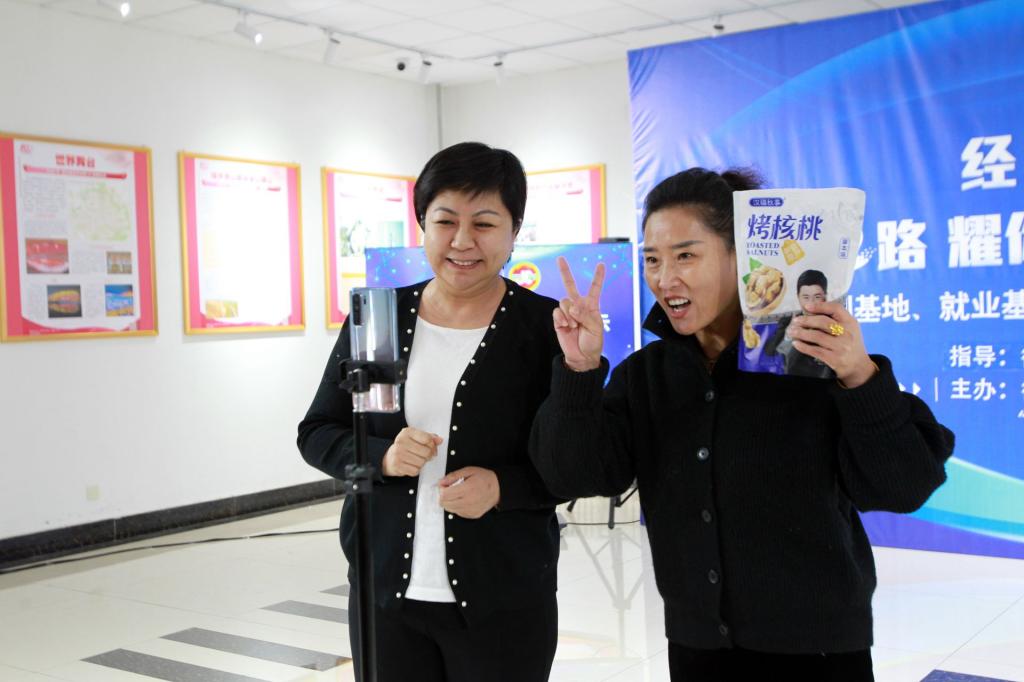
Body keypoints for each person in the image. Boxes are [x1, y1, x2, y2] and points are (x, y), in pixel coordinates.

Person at [530, 167, 954, 681]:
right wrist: (577, 371)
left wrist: (861, 376)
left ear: (742, 256)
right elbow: (572, 475)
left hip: (818, 651)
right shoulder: (647, 376)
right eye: (653, 259)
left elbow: (903, 486)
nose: (665, 278)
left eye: (686, 255)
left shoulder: (813, 364)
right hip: (698, 649)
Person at [298, 142, 562, 682]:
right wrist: (381, 457)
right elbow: (318, 432)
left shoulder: (546, 328)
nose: (462, 241)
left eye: (484, 223)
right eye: (445, 221)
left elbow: (575, 463)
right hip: (384, 597)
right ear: (422, 224)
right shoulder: (379, 320)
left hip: (504, 599)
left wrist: (503, 488)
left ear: (515, 231)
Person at [763, 268, 834, 378]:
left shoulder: (834, 322)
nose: (811, 303)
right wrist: (787, 336)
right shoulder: (786, 321)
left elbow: (841, 335)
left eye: (817, 297)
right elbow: (768, 351)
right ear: (798, 297)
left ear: (825, 296)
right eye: (806, 297)